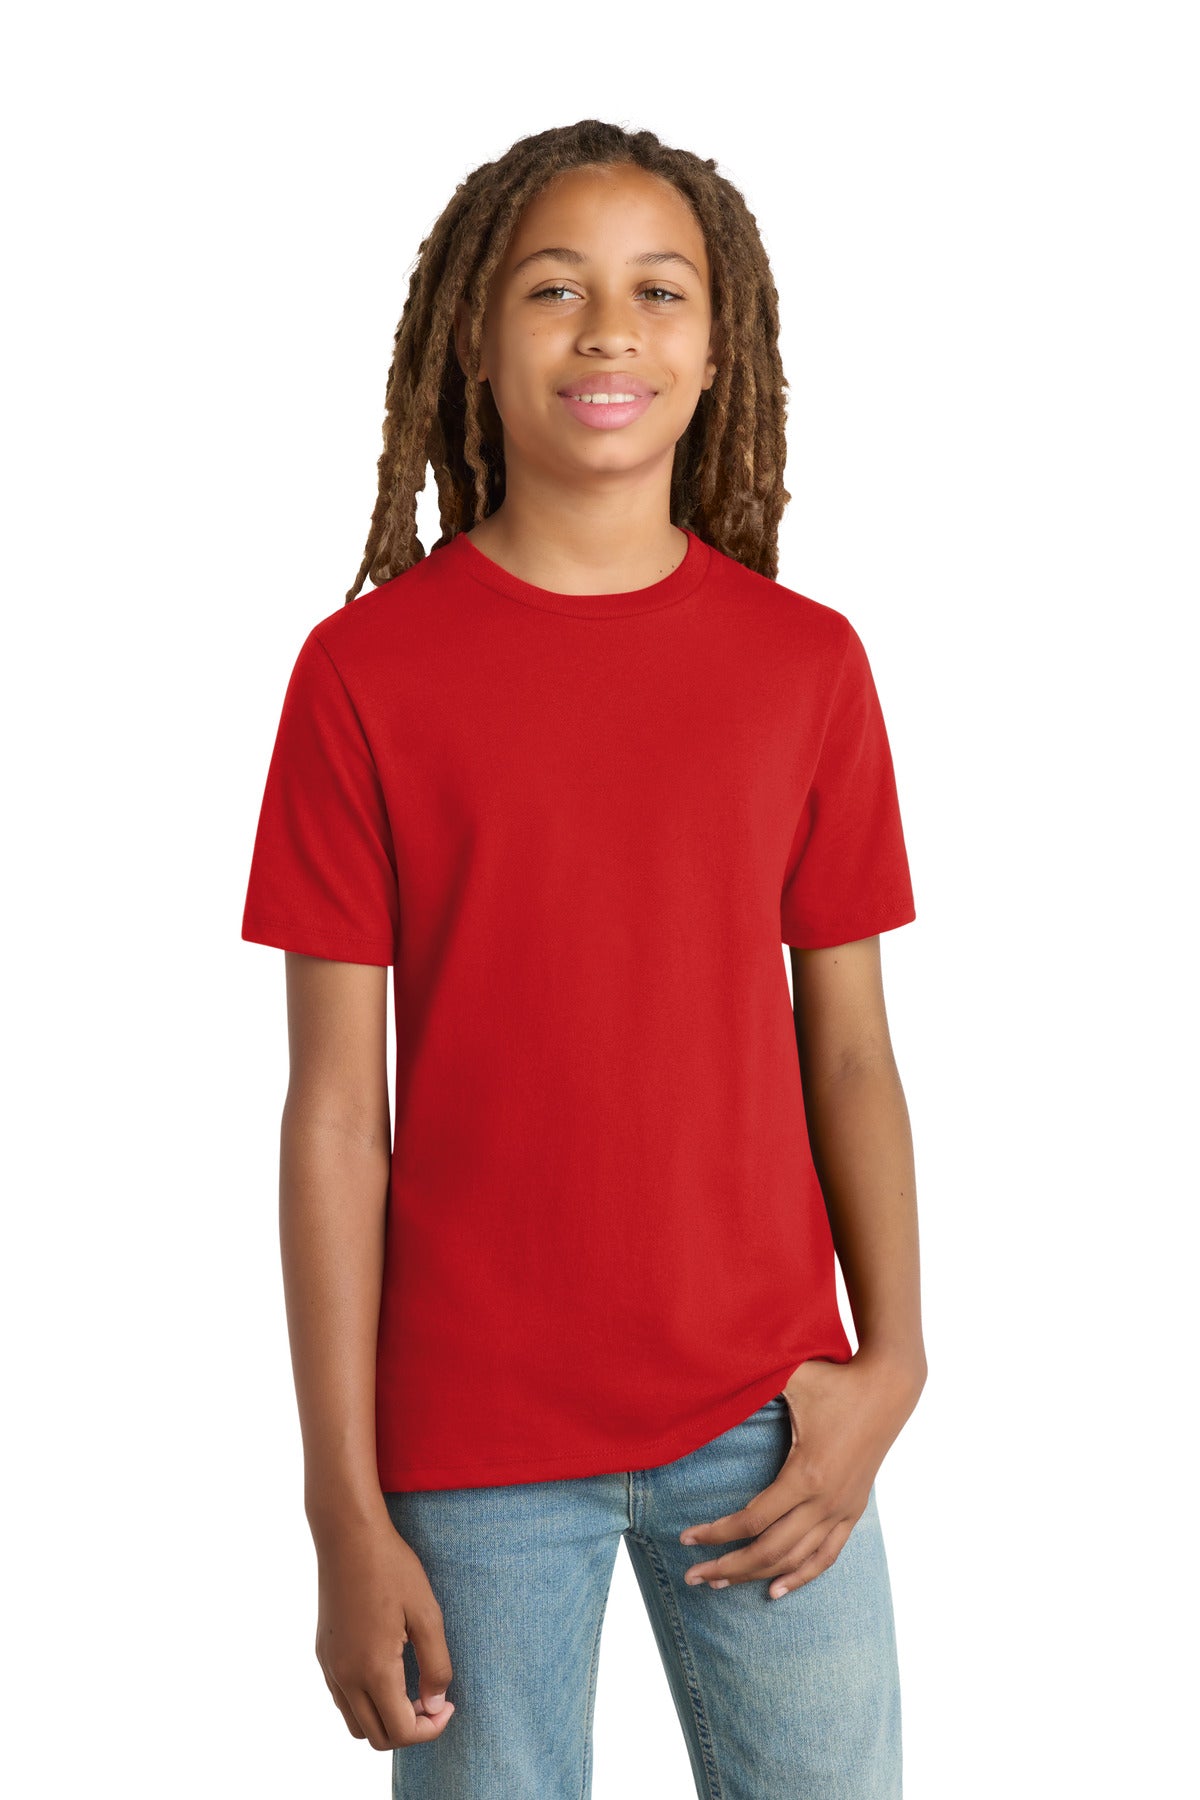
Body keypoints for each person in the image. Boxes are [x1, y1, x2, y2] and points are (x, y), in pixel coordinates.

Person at [241, 117, 927, 1800]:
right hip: (470, 1445)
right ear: (474, 341)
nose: (609, 329)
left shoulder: (807, 668)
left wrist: (894, 1360)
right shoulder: (362, 677)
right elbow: (334, 1114)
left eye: (658, 290)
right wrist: (342, 1508)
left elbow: (848, 1046)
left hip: (768, 1420)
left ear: (722, 345)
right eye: (555, 289)